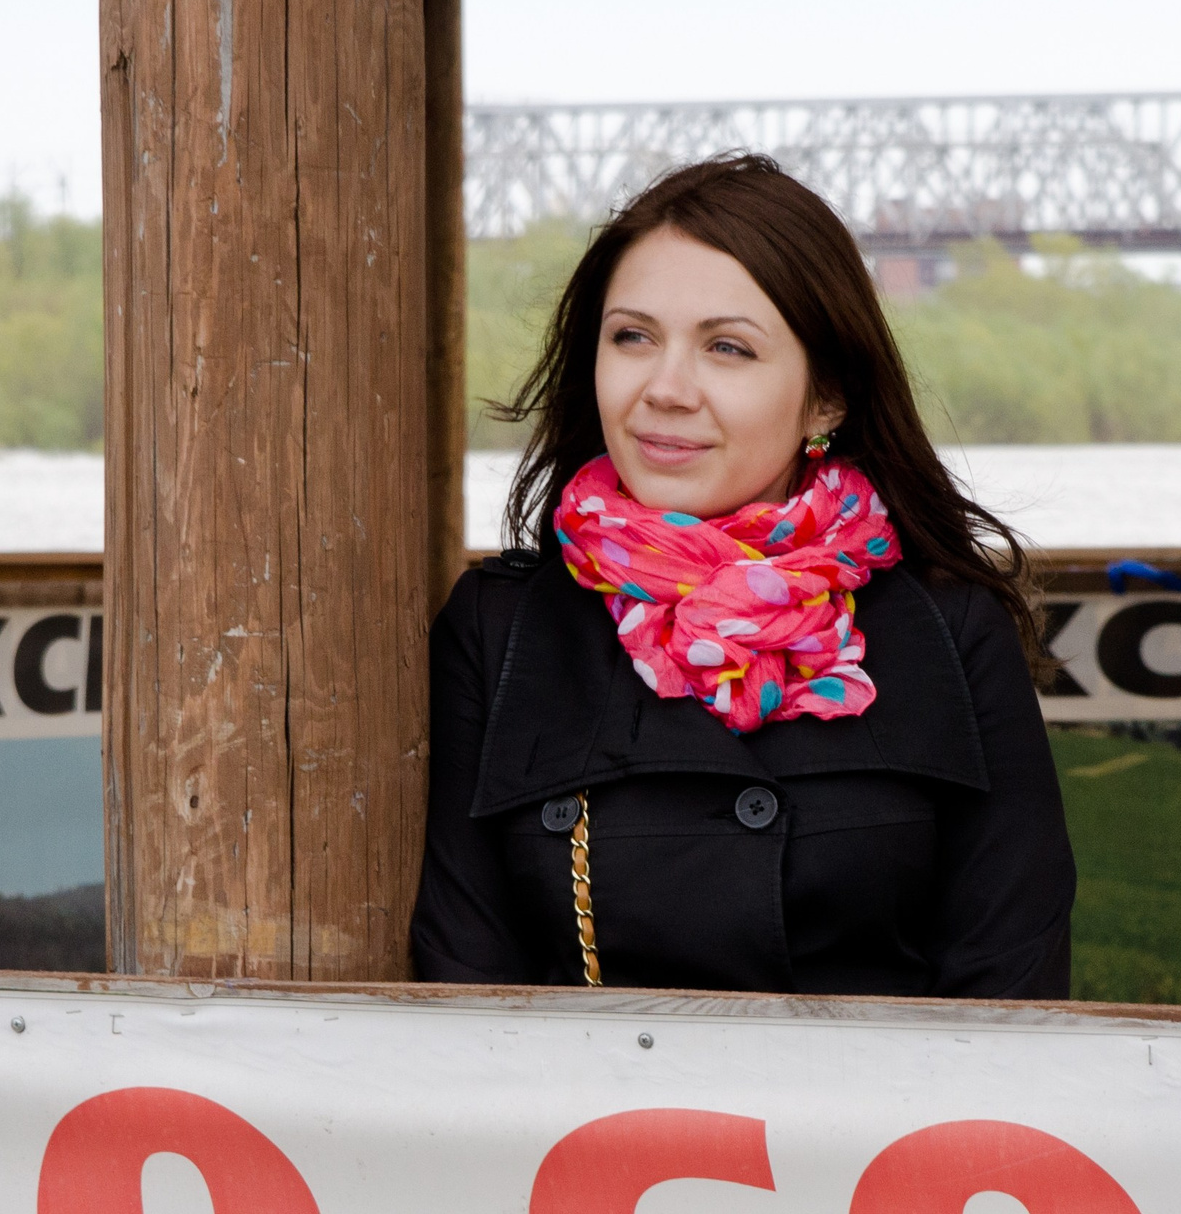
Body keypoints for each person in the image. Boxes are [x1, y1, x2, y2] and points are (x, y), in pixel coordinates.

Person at [410, 154, 1075, 996]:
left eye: (727, 347)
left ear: (826, 397)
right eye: (632, 336)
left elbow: (1012, 993)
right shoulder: (499, 633)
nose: (665, 388)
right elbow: (465, 992)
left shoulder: (951, 630)